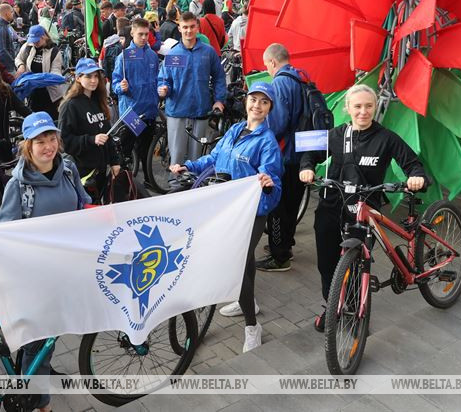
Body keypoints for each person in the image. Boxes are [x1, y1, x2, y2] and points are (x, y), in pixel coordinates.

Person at [0, 112, 90, 412]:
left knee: (44, 341)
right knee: (39, 343)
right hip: (35, 278)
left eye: (51, 139)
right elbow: (5, 233)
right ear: (27, 146)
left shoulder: (68, 169)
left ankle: (33, 394)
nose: (48, 147)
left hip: (64, 270)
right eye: (40, 141)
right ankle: (38, 402)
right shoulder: (18, 186)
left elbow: (84, 204)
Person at [299, 84, 428, 332]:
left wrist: (416, 177)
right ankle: (332, 305)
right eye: (357, 106)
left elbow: (412, 163)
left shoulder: (386, 138)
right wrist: (306, 168)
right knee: (327, 262)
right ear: (347, 108)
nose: (363, 112)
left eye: (368, 106)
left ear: (375, 107)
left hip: (363, 207)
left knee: (359, 262)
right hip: (331, 204)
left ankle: (358, 312)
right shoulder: (336, 135)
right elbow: (310, 154)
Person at [169, 82, 281, 352]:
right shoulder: (233, 130)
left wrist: (268, 182)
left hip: (252, 212)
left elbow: (273, 179)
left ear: (269, 109)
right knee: (246, 261)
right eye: (253, 100)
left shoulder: (267, 141)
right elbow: (214, 159)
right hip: (225, 207)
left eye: (263, 102)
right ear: (246, 103)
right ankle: (249, 302)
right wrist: (188, 166)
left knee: (237, 263)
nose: (256, 105)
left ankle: (253, 327)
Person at [256, 43, 309, 272]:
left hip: (285, 154)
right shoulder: (301, 77)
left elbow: (277, 124)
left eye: (266, 64)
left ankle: (279, 257)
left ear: (273, 62)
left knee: (278, 207)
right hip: (302, 153)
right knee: (292, 203)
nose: (266, 68)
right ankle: (286, 245)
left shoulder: (279, 82)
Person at [157, 12, 226, 186]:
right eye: (185, 27)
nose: (188, 31)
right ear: (179, 28)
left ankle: (195, 190)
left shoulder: (208, 52)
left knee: (197, 159)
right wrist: (164, 88)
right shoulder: (173, 54)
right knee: (177, 157)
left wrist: (219, 100)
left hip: (200, 111)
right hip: (177, 111)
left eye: (192, 27)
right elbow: (165, 79)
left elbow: (219, 77)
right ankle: (175, 189)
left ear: (197, 27)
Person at [58, 58, 121, 200]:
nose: (93, 80)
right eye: (88, 76)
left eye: (96, 76)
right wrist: (92, 140)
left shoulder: (99, 101)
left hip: (101, 170)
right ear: (78, 78)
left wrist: (115, 162)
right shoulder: (70, 106)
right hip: (82, 173)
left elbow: (107, 135)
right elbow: (64, 142)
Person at [112, 18, 159, 167]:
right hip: (132, 112)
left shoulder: (152, 55)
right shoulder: (123, 57)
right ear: (132, 33)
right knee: (127, 150)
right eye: (140, 34)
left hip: (150, 111)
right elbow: (114, 85)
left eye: (146, 34)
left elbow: (158, 79)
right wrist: (121, 87)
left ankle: (147, 180)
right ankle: (125, 183)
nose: (144, 38)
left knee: (145, 150)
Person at [14, 25, 64, 119]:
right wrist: (21, 66)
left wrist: (45, 79)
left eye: (37, 40)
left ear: (44, 36)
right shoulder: (28, 46)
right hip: (32, 92)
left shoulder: (54, 51)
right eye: (33, 40)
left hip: (50, 93)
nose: (35, 43)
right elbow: (18, 58)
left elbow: (55, 71)